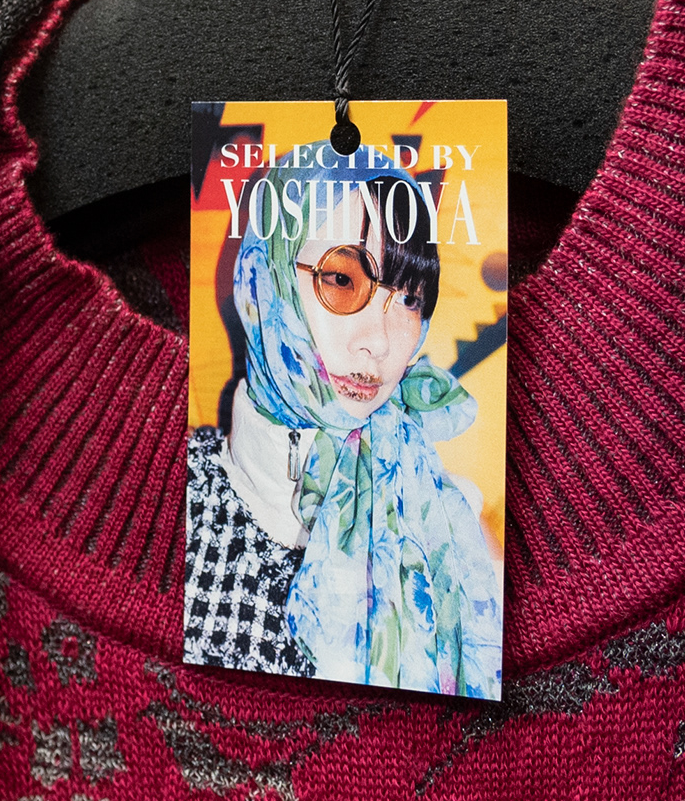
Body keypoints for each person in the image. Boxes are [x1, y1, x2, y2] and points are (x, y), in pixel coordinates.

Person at [186, 140, 501, 695]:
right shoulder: (182, 496)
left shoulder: (452, 527)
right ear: (264, 280)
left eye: (410, 299)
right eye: (341, 280)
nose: (380, 340)